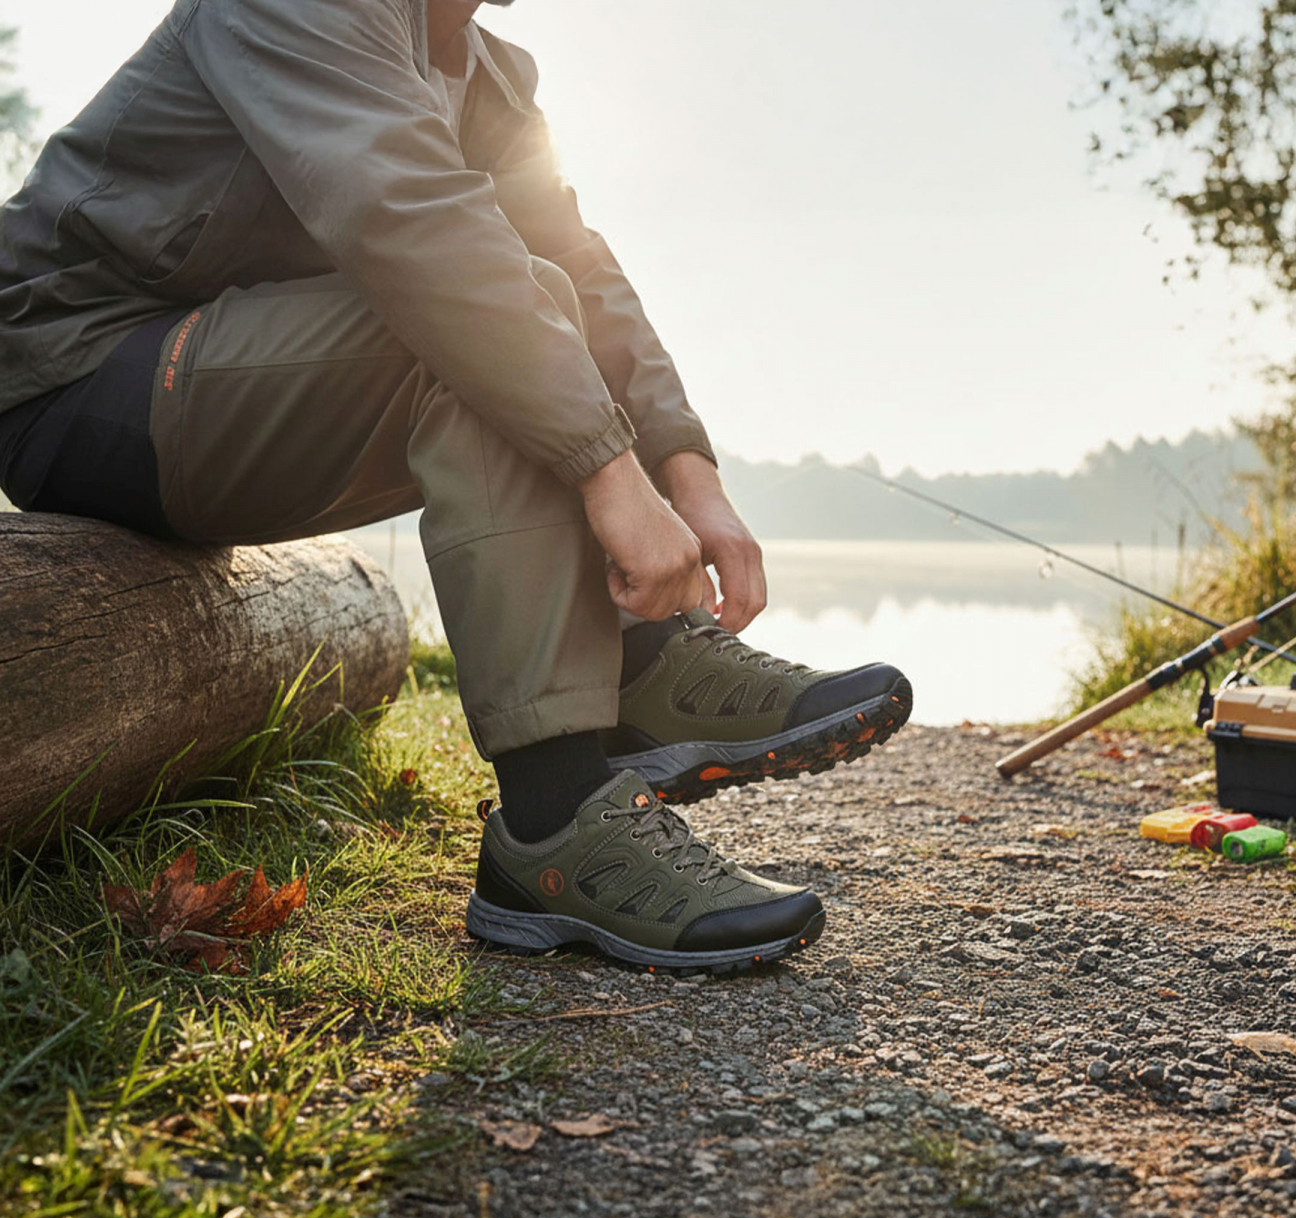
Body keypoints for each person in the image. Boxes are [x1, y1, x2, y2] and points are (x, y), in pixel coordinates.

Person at [0, 0, 912, 973]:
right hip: (73, 371)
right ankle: (556, 820)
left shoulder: (486, 70)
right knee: (472, 321)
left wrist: (693, 480)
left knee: (536, 296)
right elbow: (417, 226)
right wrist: (608, 472)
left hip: (219, 396)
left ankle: (641, 667)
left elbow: (580, 271)